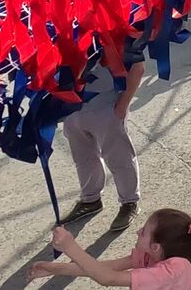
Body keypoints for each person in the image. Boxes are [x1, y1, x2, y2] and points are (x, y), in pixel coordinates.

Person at [57, 36, 145, 232]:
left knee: (119, 157)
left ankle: (129, 202)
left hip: (107, 107)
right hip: (72, 110)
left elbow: (137, 67)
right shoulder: (58, 31)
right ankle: (90, 200)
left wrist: (122, 105)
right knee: (83, 158)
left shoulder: (111, 26)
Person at [31, 208, 191, 288]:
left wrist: (70, 246)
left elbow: (108, 278)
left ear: (156, 247)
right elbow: (103, 268)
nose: (137, 232)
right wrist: (54, 269)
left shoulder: (177, 268)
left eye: (143, 231)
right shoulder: (150, 256)